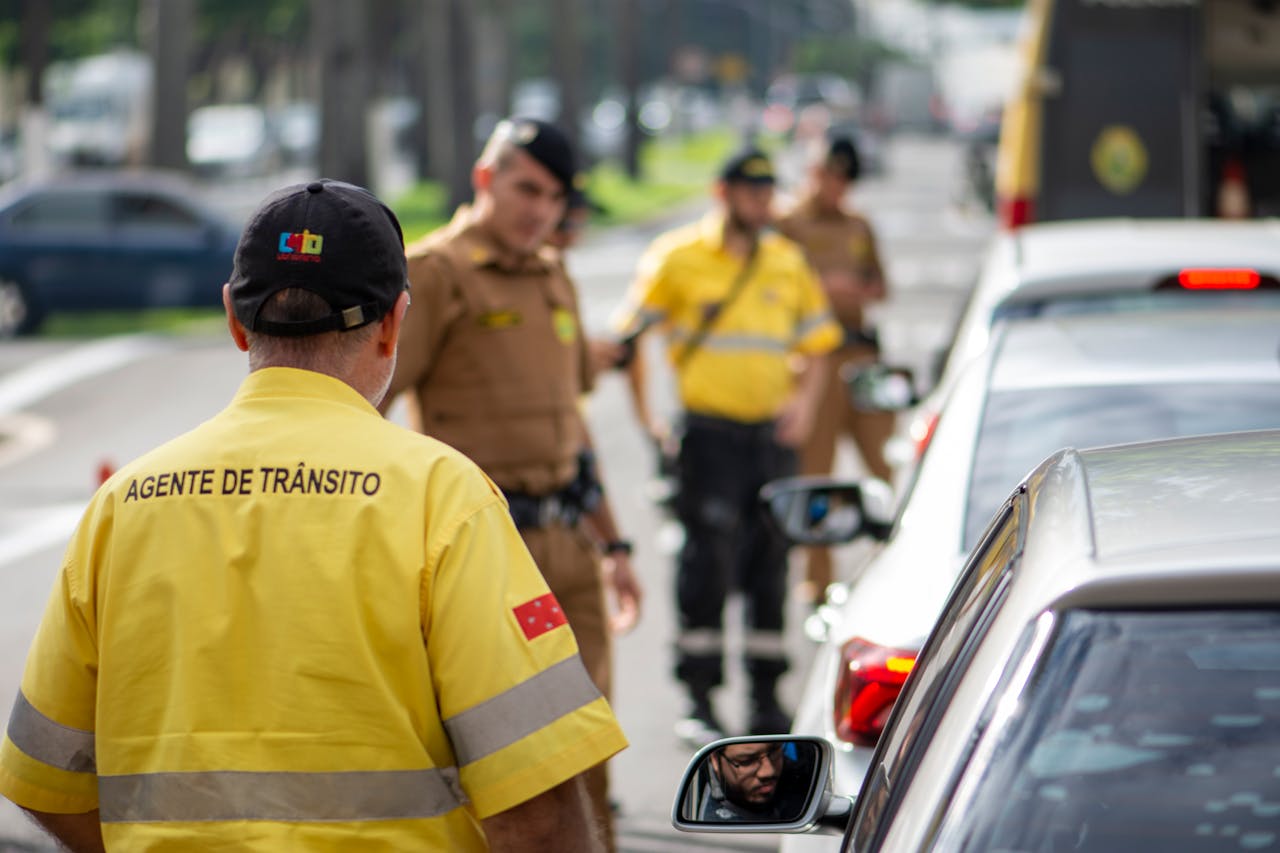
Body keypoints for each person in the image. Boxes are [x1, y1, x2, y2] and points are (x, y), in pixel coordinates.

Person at [0, 179, 628, 852]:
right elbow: (535, 806)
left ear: (235, 320)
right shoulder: (444, 497)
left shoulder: (121, 506)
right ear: (393, 322)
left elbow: (45, 778)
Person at [380, 118, 641, 851]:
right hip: (484, 553)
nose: (540, 210)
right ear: (485, 178)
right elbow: (368, 407)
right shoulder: (435, 273)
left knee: (588, 757)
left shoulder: (552, 274)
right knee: (500, 775)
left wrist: (613, 540)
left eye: (555, 197)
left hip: (569, 547)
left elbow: (572, 426)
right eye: (526, 188)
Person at [614, 146, 842, 744]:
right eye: (751, 192)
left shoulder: (786, 262)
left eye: (769, 192)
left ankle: (767, 699)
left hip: (769, 441)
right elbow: (627, 340)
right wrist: (649, 421)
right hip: (708, 437)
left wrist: (805, 406)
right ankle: (700, 699)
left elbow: (820, 345)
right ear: (723, 193)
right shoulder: (678, 258)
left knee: (769, 568)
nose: (763, 203)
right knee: (705, 568)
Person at [774, 134, 894, 606]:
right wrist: (824, 288)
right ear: (812, 171)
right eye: (829, 175)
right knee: (816, 473)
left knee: (884, 464)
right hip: (813, 363)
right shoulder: (786, 225)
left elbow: (881, 286)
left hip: (859, 358)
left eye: (845, 179)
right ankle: (817, 581)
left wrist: (858, 289)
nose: (836, 186)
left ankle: (891, 563)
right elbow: (774, 290)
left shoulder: (859, 225)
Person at [697, 741, 812, 822]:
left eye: (774, 751)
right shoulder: (702, 809)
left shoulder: (804, 772)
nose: (769, 772)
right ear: (715, 760)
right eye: (747, 761)